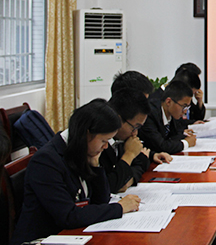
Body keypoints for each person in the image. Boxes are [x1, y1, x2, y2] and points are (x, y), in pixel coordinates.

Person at [10, 100, 140, 245]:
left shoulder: (81, 150)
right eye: (104, 141)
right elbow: (68, 216)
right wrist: (119, 208)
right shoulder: (46, 161)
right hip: (41, 240)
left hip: (70, 235)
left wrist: (95, 166)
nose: (105, 147)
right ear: (87, 134)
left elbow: (101, 201)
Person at [101, 88, 172, 193]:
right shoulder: (100, 143)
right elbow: (108, 186)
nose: (135, 133)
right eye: (135, 127)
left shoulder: (122, 138)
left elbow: (141, 162)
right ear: (118, 119)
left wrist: (130, 179)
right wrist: (129, 155)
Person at [138, 80, 197, 154]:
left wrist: (183, 135)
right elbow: (161, 146)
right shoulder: (150, 114)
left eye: (187, 107)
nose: (185, 111)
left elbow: (174, 136)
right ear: (168, 102)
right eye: (184, 106)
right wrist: (186, 143)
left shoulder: (172, 113)